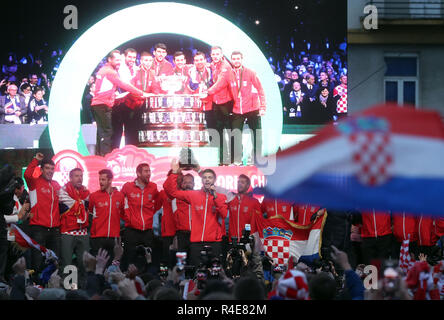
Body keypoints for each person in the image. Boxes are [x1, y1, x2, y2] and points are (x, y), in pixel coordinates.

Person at [163, 159, 228, 267]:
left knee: (215, 272)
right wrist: (174, 173)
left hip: (214, 242)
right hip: (192, 240)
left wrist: (215, 197)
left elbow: (224, 214)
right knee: (190, 268)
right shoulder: (193, 195)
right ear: (201, 180)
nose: (207, 180)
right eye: (205, 177)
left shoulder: (220, 196)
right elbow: (172, 192)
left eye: (210, 177)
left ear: (214, 180)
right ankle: (182, 280)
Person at [90, 50, 150, 156]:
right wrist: (142, 93)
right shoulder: (110, 72)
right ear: (109, 59)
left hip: (100, 104)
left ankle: (100, 157)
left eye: (119, 60)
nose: (119, 62)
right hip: (103, 105)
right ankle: (105, 159)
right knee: (107, 133)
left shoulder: (104, 70)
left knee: (102, 133)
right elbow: (124, 85)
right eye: (117, 60)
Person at [212, 51, 266, 166]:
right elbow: (219, 86)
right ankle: (237, 160)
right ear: (231, 60)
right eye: (234, 59)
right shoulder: (228, 74)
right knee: (236, 135)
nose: (236, 61)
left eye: (238, 58)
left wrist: (262, 107)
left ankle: (257, 159)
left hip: (252, 108)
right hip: (237, 108)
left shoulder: (250, 73)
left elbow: (260, 89)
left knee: (256, 134)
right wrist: (208, 92)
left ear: (242, 59)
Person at [23, 153, 61, 273]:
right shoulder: (34, 183)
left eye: (52, 169)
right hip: (38, 228)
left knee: (54, 260)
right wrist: (36, 160)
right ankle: (37, 285)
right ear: (41, 169)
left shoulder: (56, 185)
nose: (50, 171)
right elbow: (27, 174)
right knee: (38, 260)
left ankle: (52, 283)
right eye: (47, 168)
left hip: (54, 229)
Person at [120, 163, 161, 270]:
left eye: (149, 171)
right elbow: (119, 203)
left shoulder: (153, 187)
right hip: (131, 230)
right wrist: (127, 217)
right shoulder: (127, 186)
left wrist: (151, 213)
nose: (149, 174)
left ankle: (148, 281)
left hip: (147, 230)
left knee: (149, 259)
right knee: (130, 258)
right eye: (146, 171)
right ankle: (129, 281)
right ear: (138, 173)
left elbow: (158, 202)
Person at [58, 168, 90, 279]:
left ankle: (84, 291)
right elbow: (76, 205)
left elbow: (86, 205)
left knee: (85, 263)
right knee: (67, 264)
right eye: (76, 176)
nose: (80, 178)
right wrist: (82, 202)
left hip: (83, 231)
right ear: (70, 178)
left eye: (81, 176)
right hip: (68, 231)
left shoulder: (86, 191)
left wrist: (82, 202)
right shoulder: (63, 191)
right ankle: (69, 290)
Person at [88, 169, 125, 262]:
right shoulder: (93, 196)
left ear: (110, 180)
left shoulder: (120, 196)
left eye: (103, 180)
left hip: (114, 237)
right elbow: (90, 214)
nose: (100, 182)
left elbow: (123, 214)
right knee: (98, 266)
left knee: (112, 266)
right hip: (97, 237)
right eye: (99, 179)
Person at [207, 46, 234, 165]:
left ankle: (234, 158)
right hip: (216, 103)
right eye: (213, 54)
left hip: (227, 104)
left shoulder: (226, 67)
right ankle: (222, 159)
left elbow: (220, 84)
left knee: (231, 132)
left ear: (222, 54)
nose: (215, 56)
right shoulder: (213, 65)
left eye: (217, 54)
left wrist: (207, 92)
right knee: (219, 133)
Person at [112, 48, 139, 150]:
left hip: (130, 104)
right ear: (124, 57)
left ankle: (130, 153)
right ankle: (113, 154)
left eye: (134, 57)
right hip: (119, 104)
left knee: (130, 131)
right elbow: (124, 85)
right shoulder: (119, 68)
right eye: (130, 57)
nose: (132, 59)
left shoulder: (135, 69)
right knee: (117, 132)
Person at [227, 174, 261, 241]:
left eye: (242, 182)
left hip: (248, 241)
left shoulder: (254, 202)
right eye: (238, 182)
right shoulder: (231, 200)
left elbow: (258, 223)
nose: (239, 184)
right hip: (232, 240)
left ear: (248, 186)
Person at [188, 52, 213, 127]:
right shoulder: (190, 72)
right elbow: (192, 87)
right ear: (194, 62)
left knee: (212, 131)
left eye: (201, 59)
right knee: (196, 132)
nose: (199, 62)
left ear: (205, 60)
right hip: (196, 107)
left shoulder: (211, 70)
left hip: (210, 106)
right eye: (196, 60)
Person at [173, 173, 195, 255]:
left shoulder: (199, 197)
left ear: (194, 184)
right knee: (181, 263)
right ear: (181, 184)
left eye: (190, 182)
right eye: (185, 182)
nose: (187, 184)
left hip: (195, 235)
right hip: (181, 235)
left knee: (194, 261)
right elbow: (175, 217)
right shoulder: (176, 198)